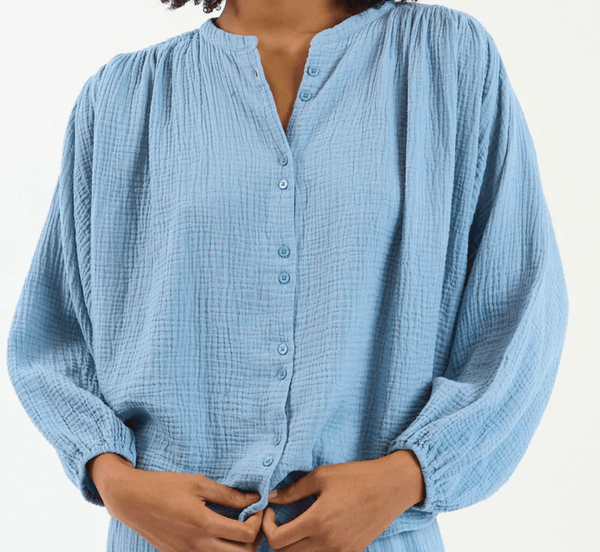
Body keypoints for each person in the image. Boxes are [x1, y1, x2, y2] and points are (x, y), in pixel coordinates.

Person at [6, 1, 569, 551]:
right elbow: (54, 335)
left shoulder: (444, 60)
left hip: (377, 540)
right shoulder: (121, 98)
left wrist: (407, 476)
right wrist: (114, 480)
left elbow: (519, 305)